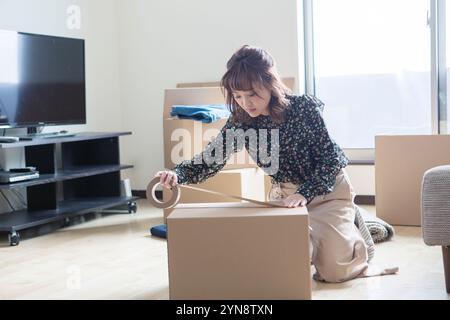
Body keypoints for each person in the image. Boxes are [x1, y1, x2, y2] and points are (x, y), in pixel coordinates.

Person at [155, 45, 396, 283]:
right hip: (286, 196)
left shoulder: (302, 108)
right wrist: (177, 174)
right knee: (280, 261)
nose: (245, 103)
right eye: (237, 96)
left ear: (270, 83)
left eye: (252, 94)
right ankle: (325, 238)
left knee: (334, 272)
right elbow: (212, 158)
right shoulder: (240, 119)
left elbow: (331, 160)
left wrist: (305, 193)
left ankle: (353, 227)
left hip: (328, 192)